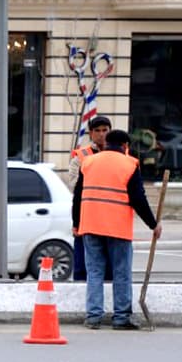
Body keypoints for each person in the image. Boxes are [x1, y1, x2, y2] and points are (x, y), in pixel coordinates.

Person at [72, 129, 162, 330]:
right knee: (121, 272)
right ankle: (121, 317)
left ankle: (93, 317)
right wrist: (153, 224)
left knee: (94, 271)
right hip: (117, 227)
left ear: (106, 143)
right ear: (125, 146)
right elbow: (138, 199)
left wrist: (76, 223)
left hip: (90, 224)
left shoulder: (88, 163)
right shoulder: (130, 164)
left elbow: (77, 196)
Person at [68, 115, 111, 281]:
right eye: (97, 131)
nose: (101, 134)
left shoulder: (119, 154)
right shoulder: (80, 156)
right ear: (91, 134)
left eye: (105, 130)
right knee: (82, 266)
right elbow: (74, 185)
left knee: (110, 268)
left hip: (110, 219)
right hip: (87, 217)